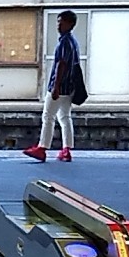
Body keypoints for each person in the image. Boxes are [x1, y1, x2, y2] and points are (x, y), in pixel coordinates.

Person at [24, 9, 81, 164]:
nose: (58, 24)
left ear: (69, 23)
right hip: (70, 87)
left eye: (61, 21)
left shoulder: (64, 42)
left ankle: (42, 148)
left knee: (48, 116)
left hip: (60, 87)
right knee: (64, 117)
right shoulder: (73, 42)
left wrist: (55, 87)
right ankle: (66, 149)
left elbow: (61, 64)